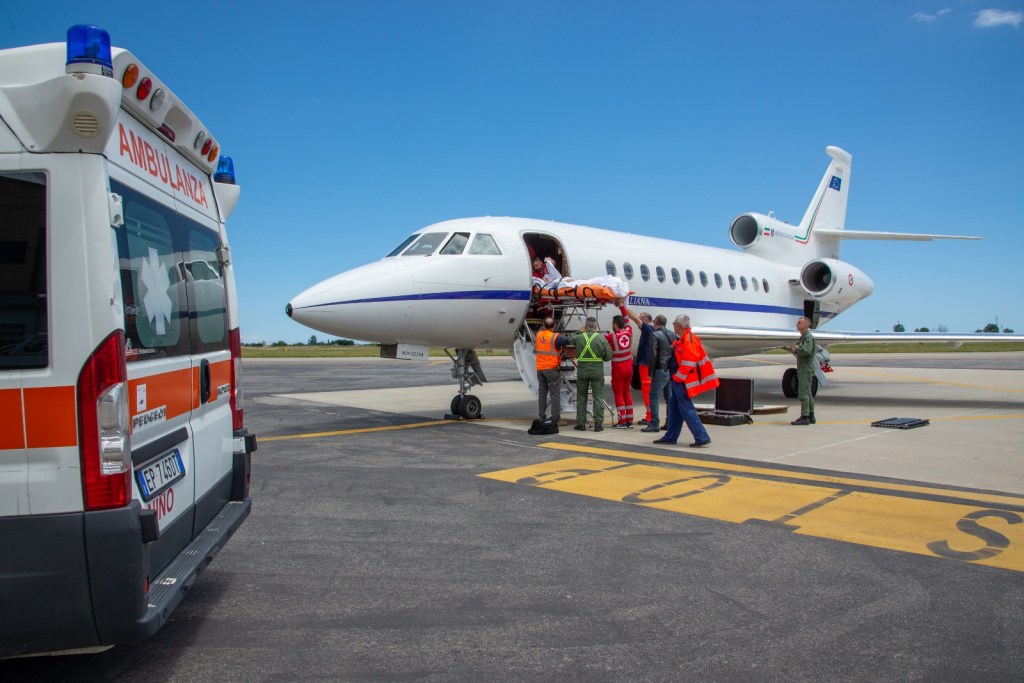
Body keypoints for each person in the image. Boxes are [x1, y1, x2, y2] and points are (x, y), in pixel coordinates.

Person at [654, 314, 718, 447]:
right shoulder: (684, 338)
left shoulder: (688, 339)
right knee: (675, 408)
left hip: (682, 381)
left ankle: (701, 436)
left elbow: (689, 362)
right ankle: (671, 436)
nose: (672, 325)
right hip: (679, 380)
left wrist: (678, 378)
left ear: (679, 325)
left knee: (686, 409)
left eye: (674, 323)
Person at [571, 316, 612, 431]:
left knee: (581, 397)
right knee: (598, 397)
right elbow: (608, 356)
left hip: (582, 372)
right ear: (595, 327)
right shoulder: (601, 339)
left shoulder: (579, 337)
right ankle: (598, 424)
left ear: (586, 326)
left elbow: (569, 339)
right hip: (597, 372)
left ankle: (580, 424)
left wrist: (578, 331)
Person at [535, 317, 569, 424]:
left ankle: (542, 416)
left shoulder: (538, 335)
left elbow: (542, 329)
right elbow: (568, 340)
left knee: (542, 394)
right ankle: (555, 418)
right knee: (554, 395)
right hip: (551, 369)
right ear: (554, 326)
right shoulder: (556, 337)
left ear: (543, 326)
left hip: (540, 369)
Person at [605, 304, 633, 428]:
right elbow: (627, 318)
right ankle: (629, 420)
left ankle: (621, 421)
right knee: (627, 393)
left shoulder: (611, 337)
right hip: (629, 368)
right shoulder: (629, 331)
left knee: (619, 395)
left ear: (615, 324)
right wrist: (621, 306)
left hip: (618, 369)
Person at [625, 309, 654, 425]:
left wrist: (622, 306)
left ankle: (649, 416)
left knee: (646, 391)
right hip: (647, 363)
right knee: (648, 391)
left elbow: (635, 318)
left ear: (646, 321)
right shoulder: (651, 330)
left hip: (645, 364)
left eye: (641, 319)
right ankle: (650, 415)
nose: (639, 323)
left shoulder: (647, 329)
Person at [789, 316, 816, 425]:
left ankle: (805, 417)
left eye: (799, 323)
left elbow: (806, 351)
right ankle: (811, 416)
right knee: (808, 393)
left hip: (805, 368)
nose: (797, 324)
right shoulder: (804, 337)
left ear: (806, 325)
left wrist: (797, 349)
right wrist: (796, 351)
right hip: (804, 367)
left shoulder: (807, 337)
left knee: (803, 393)